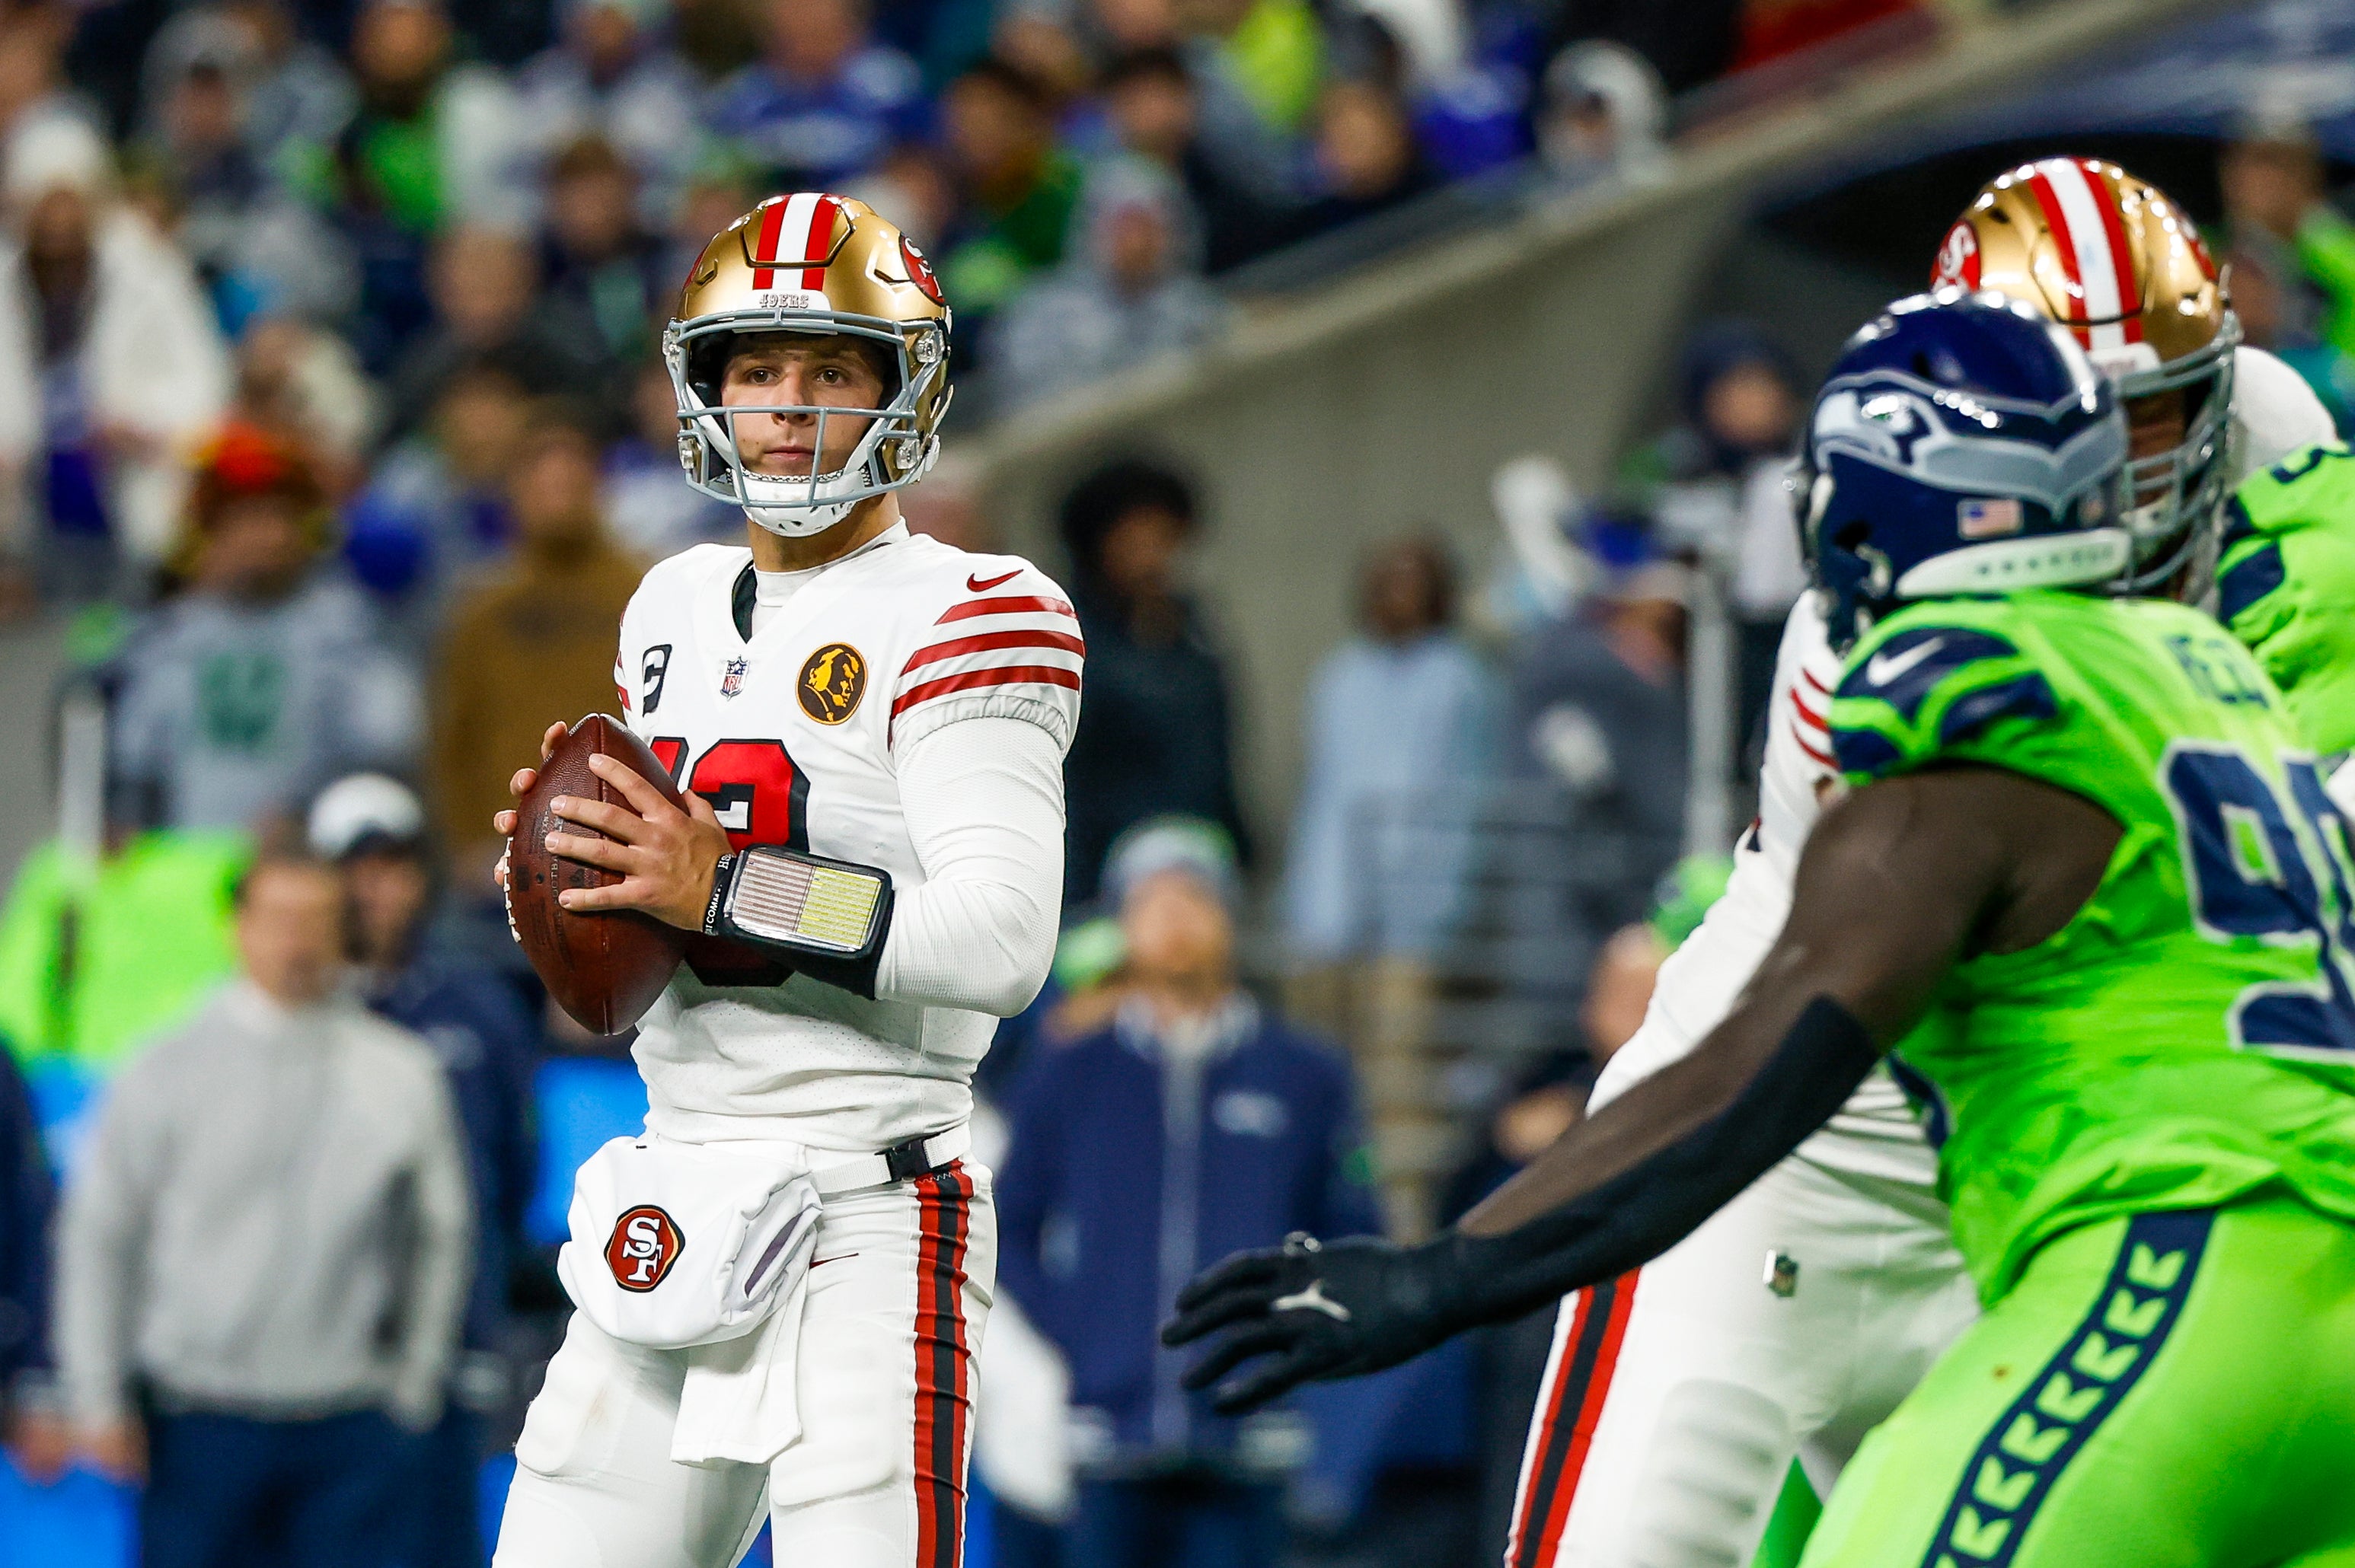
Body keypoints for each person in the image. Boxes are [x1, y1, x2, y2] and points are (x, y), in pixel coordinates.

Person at [1167, 289, 2355, 1564]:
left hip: (2148, 1264)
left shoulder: (1957, 701)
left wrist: (1442, 1274)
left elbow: (1762, 1067)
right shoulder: (2215, 666)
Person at [1476, 155, 2351, 1568]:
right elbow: (1859, 998)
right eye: (2068, 433)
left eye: (2153, 422)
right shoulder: (1880, 624)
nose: (2121, 481)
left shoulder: (2284, 464)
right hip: (1793, 1179)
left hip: (2045, 1222)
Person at [487, 190, 1081, 1565]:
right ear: (706, 390)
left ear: (903, 390)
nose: (789, 405)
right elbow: (658, 905)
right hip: (674, 1181)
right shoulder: (669, 606)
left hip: (868, 1209)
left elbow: (1001, 939)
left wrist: (723, 887)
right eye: (757, 368)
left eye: (831, 369)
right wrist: (576, 867)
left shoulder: (976, 607)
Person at [56, 853, 474, 1568]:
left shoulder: (400, 1073)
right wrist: (96, 1395)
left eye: (317, 921)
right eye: (278, 920)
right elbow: (101, 1234)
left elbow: (442, 1233)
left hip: (352, 1424)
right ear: (237, 929)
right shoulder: (163, 1068)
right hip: (198, 1423)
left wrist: (416, 1380)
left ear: (344, 933)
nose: (297, 942)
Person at [996, 819, 1380, 1568]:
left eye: (1193, 897)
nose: (1173, 919)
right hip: (1107, 1432)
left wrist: (1281, 1339)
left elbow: (1352, 1233)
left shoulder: (1305, 1073)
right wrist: (1076, 1325)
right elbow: (1008, 1223)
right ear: (1122, 924)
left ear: (1229, 917)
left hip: (1253, 1433)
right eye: (1150, 901)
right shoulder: (1071, 1073)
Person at [310, 773, 541, 1568]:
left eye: (393, 865)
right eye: (353, 866)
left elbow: (513, 1170)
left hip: (449, 1340)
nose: (373, 888)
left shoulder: (479, 1009)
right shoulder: (289, 1011)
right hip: (309, 1341)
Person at [1282, 534, 1505, 1233]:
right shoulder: (1339, 676)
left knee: (1399, 1088)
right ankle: (1306, 1216)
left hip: (1416, 919)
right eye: (1384, 579)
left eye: (1413, 580)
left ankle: (1400, 1232)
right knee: (1308, 1076)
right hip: (1323, 909)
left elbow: (1471, 798)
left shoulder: (1463, 680)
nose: (1396, 594)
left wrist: (1448, 907)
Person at [110, 428, 421, 837]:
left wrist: (309, 809)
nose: (259, 536)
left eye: (274, 516)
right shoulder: (171, 635)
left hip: (310, 864)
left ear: (306, 530)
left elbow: (389, 742)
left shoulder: (349, 628)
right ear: (209, 535)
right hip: (184, 865)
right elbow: (132, 760)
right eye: (240, 519)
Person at [0, 111, 232, 595]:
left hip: (130, 490)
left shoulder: (149, 271)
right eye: (46, 204)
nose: (58, 220)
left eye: (70, 203)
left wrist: (140, 423)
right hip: (28, 515)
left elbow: (205, 386)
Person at [430, 406, 646, 876]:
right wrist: (464, 844)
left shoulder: (648, 593)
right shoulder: (479, 615)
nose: (558, 492)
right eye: (541, 477)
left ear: (599, 484)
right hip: (503, 857)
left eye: (571, 476)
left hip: (626, 849)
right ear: (513, 491)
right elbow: (452, 741)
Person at [1056, 457, 1249, 904]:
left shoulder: (1198, 634)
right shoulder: (1073, 637)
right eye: (1137, 540)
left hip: (1201, 863)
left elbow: (1219, 746)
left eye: (1165, 538)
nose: (1153, 556)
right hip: (1104, 879)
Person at [988, 155, 1228, 410]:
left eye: (1148, 225)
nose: (1137, 242)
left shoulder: (1195, 309)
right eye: (1125, 226)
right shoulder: (1041, 317)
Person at [704, 0, 926, 192]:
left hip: (861, 222)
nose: (803, 16)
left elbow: (920, 175)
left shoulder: (889, 83)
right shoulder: (743, 98)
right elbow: (717, 178)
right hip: (768, 225)